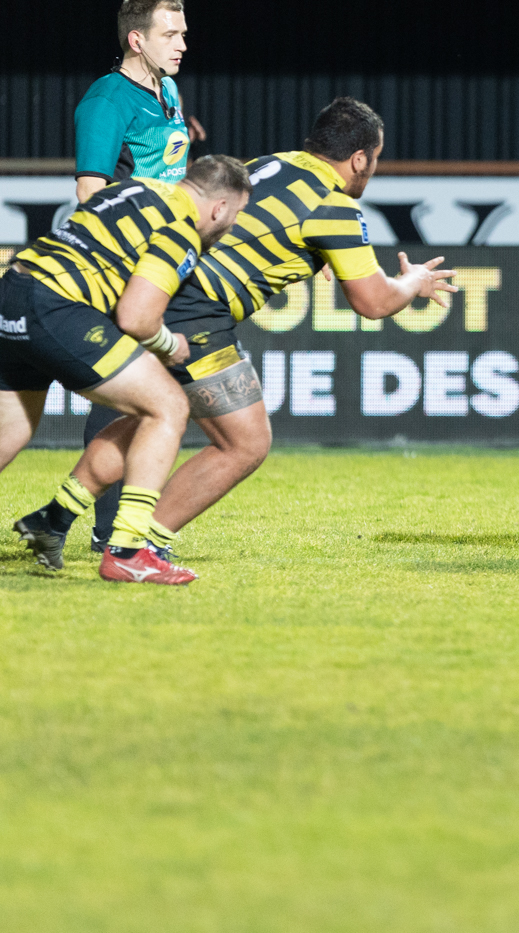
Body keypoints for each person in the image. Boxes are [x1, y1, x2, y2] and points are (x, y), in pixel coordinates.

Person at [15, 98, 457, 565]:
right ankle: (138, 544)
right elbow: (374, 302)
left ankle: (55, 518)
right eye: (375, 159)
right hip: (198, 310)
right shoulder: (335, 207)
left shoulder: (268, 165)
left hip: (159, 284)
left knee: (153, 414)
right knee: (244, 442)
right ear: (361, 158)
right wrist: (415, 282)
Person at [6, 155, 251, 584]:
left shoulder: (132, 189)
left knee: (11, 429)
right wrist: (168, 344)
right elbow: (136, 318)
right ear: (220, 208)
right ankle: (127, 551)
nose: (230, 227)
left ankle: (55, 519)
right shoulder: (181, 229)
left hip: (12, 291)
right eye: (235, 216)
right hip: (56, 307)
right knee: (168, 407)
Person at [75, 0, 207, 550]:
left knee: (151, 393)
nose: (181, 43)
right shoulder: (107, 100)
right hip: (125, 267)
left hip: (164, 262)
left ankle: (113, 525)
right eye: (170, 34)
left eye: (183, 33)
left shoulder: (168, 92)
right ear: (137, 41)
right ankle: (109, 529)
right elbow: (89, 194)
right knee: (122, 395)